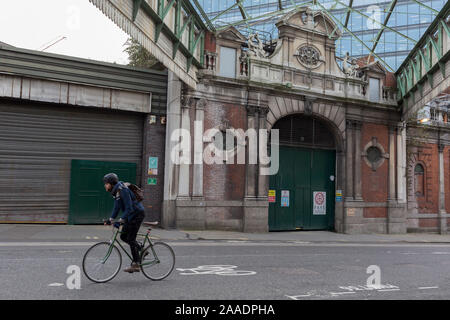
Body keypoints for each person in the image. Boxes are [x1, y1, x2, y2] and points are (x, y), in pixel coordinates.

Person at [103, 173, 145, 273]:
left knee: (130, 238)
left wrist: (120, 221)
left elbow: (129, 208)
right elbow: (117, 207)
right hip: (131, 215)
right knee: (123, 237)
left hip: (137, 214)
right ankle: (142, 250)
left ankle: (136, 264)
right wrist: (111, 219)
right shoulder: (116, 191)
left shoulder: (123, 190)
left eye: (106, 183)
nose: (105, 185)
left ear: (111, 183)